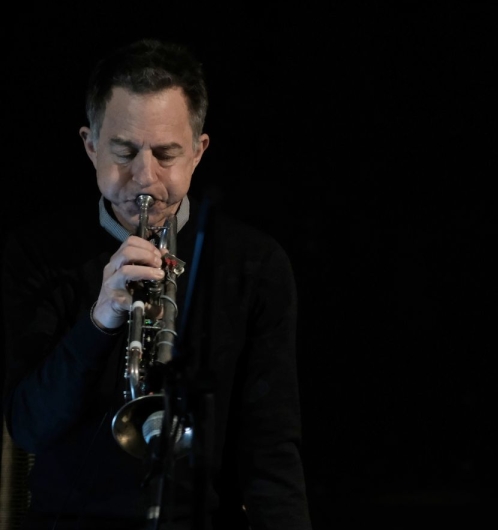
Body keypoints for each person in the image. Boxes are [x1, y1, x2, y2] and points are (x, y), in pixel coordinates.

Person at [1, 39, 312, 529]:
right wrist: (99, 322)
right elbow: (29, 428)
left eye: (166, 154)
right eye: (123, 152)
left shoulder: (255, 264)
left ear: (198, 152)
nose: (144, 179)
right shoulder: (37, 253)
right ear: (90, 145)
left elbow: (271, 448)